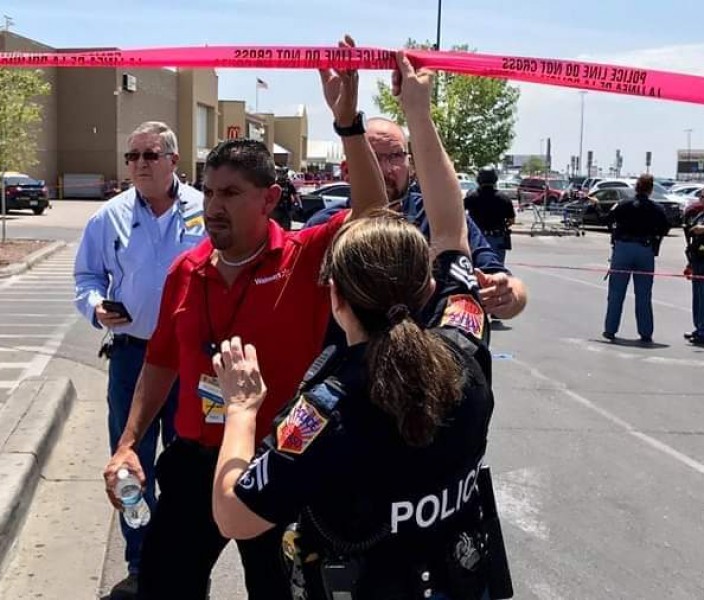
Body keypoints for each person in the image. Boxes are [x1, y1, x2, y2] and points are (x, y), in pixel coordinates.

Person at [211, 52, 510, 600]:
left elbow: (234, 515)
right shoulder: (462, 338)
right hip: (454, 581)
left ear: (336, 296)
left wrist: (240, 410)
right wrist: (418, 111)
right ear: (426, 284)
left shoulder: (327, 410)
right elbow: (450, 232)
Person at [103, 35, 388, 600]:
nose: (213, 206)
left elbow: (374, 211)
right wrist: (129, 442)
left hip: (279, 465)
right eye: (208, 192)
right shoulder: (188, 270)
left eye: (231, 193)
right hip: (192, 466)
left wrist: (349, 125)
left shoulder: (306, 259)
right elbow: (159, 361)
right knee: (164, 587)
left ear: (270, 198)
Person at [74, 121, 205, 599]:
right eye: (132, 157)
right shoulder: (107, 218)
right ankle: (139, 563)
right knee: (130, 468)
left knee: (188, 465)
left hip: (192, 363)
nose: (140, 165)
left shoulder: (204, 210)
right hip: (133, 358)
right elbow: (87, 277)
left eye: (149, 155)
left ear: (173, 159)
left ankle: (183, 559)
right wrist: (96, 307)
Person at [305, 117, 527, 322]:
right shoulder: (323, 227)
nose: (386, 169)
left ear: (410, 165)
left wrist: (507, 295)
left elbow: (509, 284)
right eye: (372, 158)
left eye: (395, 156)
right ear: (346, 170)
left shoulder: (438, 218)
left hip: (433, 359)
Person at [602, 174, 671, 343]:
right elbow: (666, 227)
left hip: (623, 249)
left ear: (636, 187)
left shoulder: (623, 205)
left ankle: (610, 329)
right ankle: (645, 332)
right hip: (645, 250)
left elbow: (607, 220)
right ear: (650, 189)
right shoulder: (656, 208)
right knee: (644, 294)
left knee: (616, 293)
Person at [464, 166, 516, 266]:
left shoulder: (472, 197)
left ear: (479, 179)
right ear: (495, 179)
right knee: (497, 269)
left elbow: (460, 214)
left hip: (477, 238)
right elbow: (511, 220)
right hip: (497, 238)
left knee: (477, 270)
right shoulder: (504, 198)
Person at [683, 188, 704, 345]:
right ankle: (699, 327)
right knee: (697, 297)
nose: (701, 200)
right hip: (697, 259)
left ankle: (703, 330)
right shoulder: (700, 215)